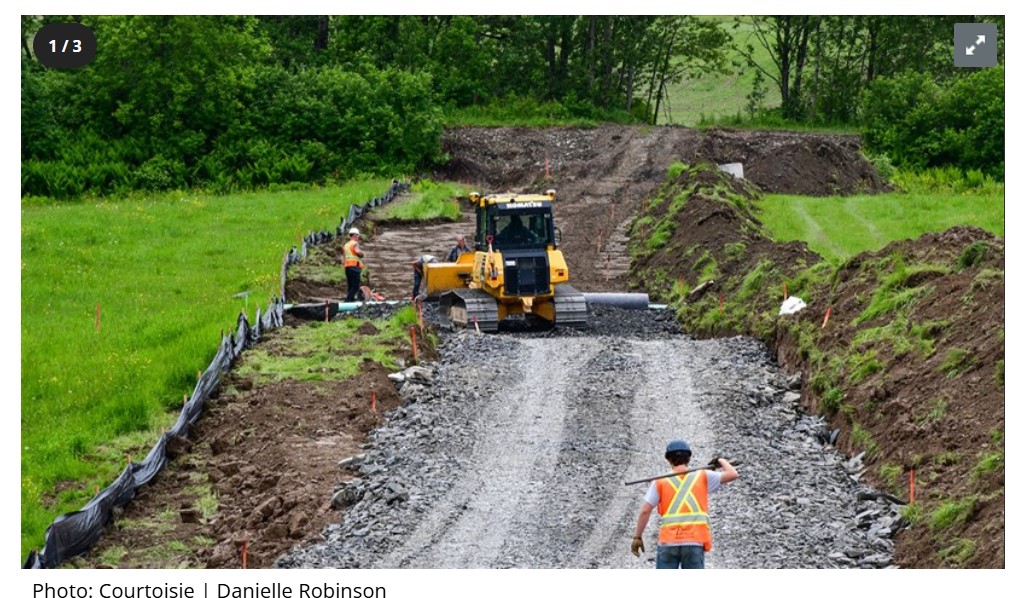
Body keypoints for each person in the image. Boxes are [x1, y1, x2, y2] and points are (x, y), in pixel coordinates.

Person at [631, 439, 739, 569]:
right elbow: (733, 474)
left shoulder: (660, 481)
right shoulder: (703, 476)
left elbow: (645, 511)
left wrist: (637, 537)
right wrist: (721, 460)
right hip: (694, 541)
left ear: (669, 460)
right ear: (688, 459)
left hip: (669, 541)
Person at [343, 228, 366, 302]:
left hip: (347, 267)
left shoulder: (346, 245)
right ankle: (348, 300)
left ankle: (351, 300)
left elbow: (343, 257)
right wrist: (362, 253)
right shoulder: (355, 243)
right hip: (354, 267)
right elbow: (357, 252)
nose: (358, 237)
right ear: (355, 235)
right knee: (356, 286)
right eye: (358, 235)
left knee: (350, 285)